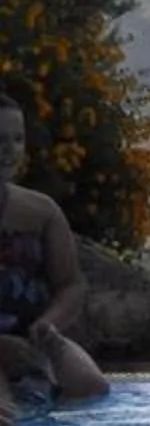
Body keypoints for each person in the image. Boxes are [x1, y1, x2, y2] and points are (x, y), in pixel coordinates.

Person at [0, 81, 112, 402]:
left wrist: (48, 326)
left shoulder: (42, 211)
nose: (9, 150)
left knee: (91, 389)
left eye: (17, 139)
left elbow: (71, 284)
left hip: (32, 332)